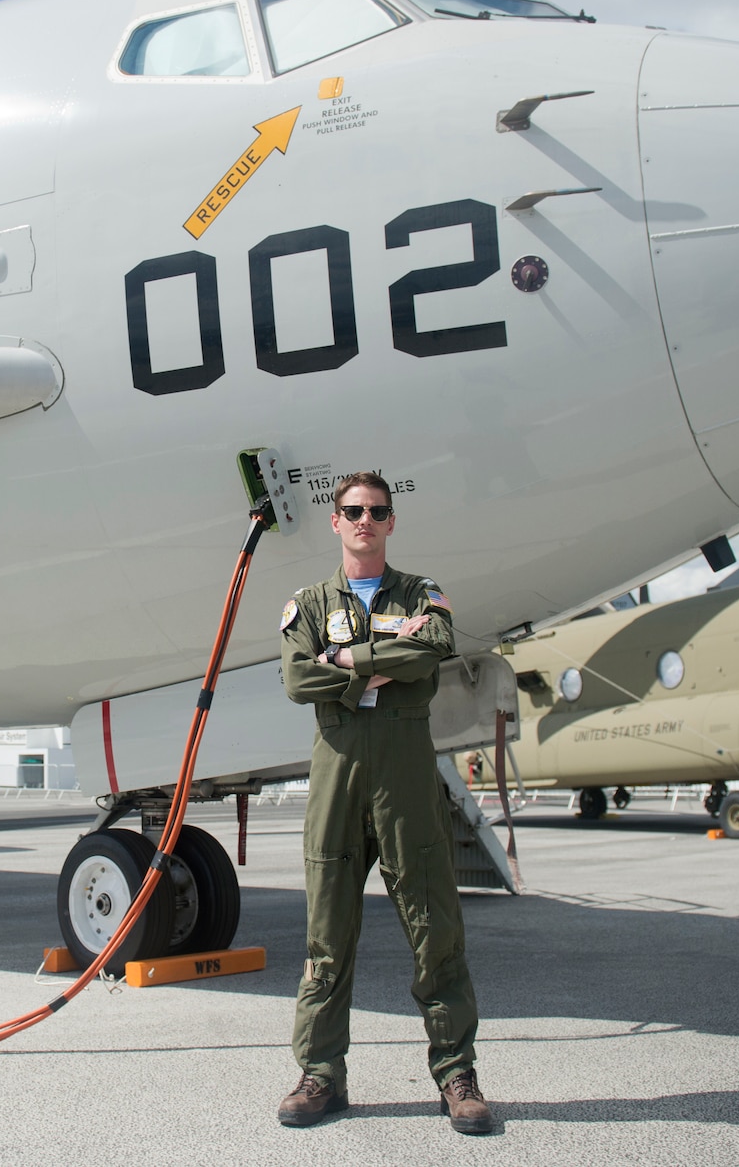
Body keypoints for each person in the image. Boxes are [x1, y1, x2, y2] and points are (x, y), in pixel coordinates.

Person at [275, 471, 491, 1136]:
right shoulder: (308, 602)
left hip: (402, 776)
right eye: (352, 510)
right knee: (327, 938)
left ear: (391, 521)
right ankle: (321, 1075)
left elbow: (433, 648)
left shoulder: (421, 594)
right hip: (337, 776)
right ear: (335, 521)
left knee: (435, 929)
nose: (364, 520)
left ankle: (457, 1073)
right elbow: (295, 676)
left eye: (376, 510)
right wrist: (379, 663)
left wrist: (346, 658)